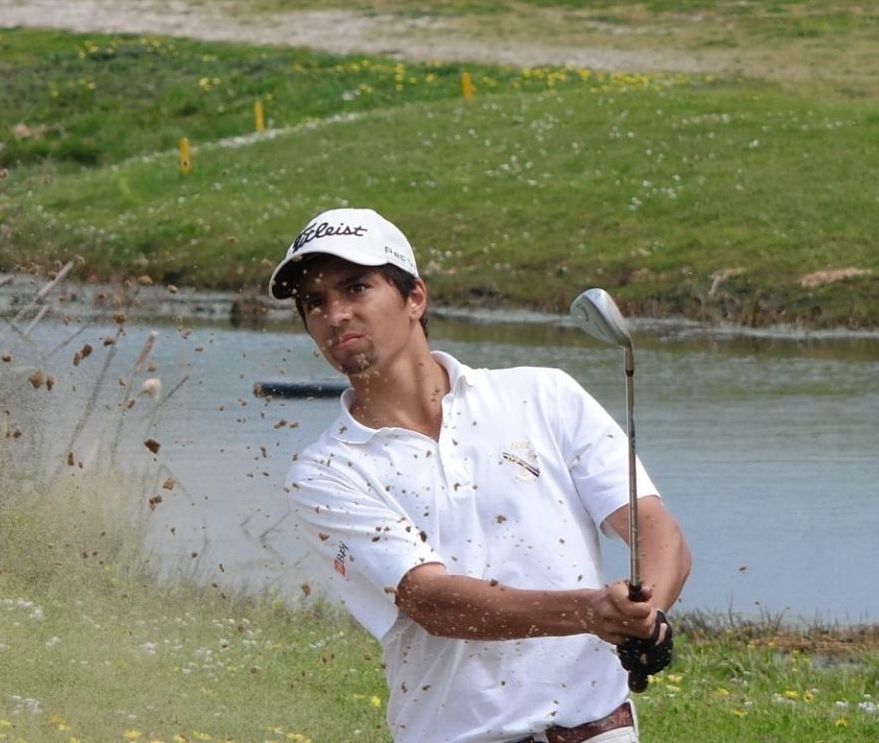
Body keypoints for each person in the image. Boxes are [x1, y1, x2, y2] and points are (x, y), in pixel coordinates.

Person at [272, 208, 690, 743]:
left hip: (598, 730)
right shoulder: (326, 471)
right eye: (314, 302)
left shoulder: (543, 395)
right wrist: (590, 612)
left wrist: (644, 613)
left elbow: (654, 528)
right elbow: (434, 602)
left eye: (356, 288)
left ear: (415, 298)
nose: (335, 314)